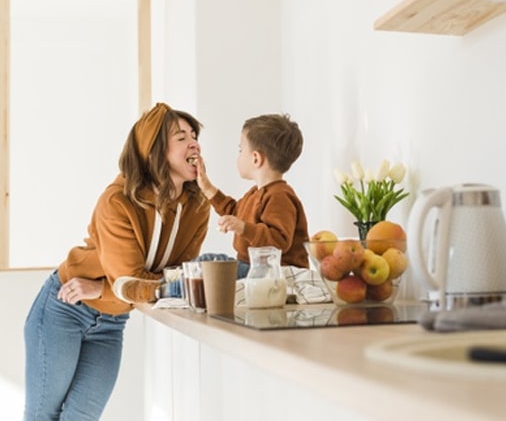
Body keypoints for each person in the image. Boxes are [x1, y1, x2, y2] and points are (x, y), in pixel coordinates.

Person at [23, 103, 210, 420]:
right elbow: (132, 283)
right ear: (154, 150)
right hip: (66, 307)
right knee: (44, 414)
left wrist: (101, 290)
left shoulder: (198, 206)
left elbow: (177, 277)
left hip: (112, 321)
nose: (194, 143)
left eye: (194, 135)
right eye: (181, 137)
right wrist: (120, 289)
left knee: (82, 416)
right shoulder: (118, 200)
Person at [196, 113, 310, 278]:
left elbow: (278, 241)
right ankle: (167, 288)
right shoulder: (256, 193)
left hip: (271, 273)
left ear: (256, 158)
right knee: (208, 264)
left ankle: (166, 290)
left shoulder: (280, 197)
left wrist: (242, 227)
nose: (239, 154)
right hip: (251, 267)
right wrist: (207, 188)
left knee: (208, 265)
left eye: (241, 150)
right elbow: (235, 211)